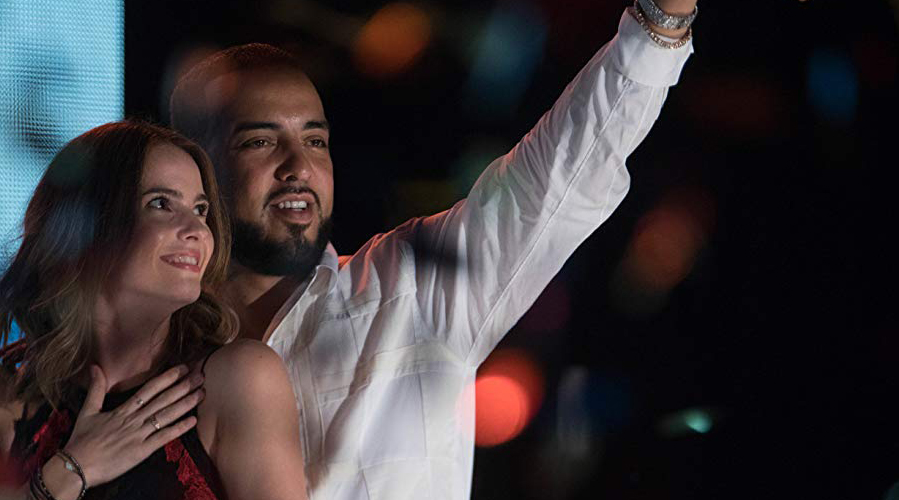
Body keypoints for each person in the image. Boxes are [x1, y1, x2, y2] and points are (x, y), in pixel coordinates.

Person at [167, 1, 698, 498]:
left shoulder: (410, 289)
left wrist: (661, 20)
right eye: (260, 141)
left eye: (315, 140)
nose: (299, 167)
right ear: (196, 173)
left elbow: (565, 171)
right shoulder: (153, 352)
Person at [0, 121, 307, 500]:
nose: (197, 230)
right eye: (161, 203)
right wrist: (71, 470)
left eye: (200, 209)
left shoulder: (240, 380)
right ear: (86, 227)